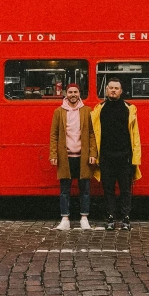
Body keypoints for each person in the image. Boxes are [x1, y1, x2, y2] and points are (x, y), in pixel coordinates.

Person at [92, 77, 141, 231]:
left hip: (124, 157)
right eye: (110, 88)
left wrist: (135, 159)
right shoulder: (99, 109)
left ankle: (126, 218)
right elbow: (93, 134)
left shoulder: (129, 109)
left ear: (121, 91)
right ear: (106, 90)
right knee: (108, 190)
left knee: (126, 190)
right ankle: (111, 217)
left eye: (116, 88)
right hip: (106, 157)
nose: (113, 90)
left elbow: (135, 136)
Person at [50, 83, 97, 230]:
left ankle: (84, 218)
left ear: (79, 93)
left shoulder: (87, 111)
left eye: (75, 92)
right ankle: (65, 219)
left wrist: (92, 153)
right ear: (66, 94)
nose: (73, 95)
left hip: (82, 157)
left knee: (85, 189)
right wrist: (53, 154)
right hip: (66, 156)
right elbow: (54, 135)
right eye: (70, 92)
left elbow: (92, 134)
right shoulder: (58, 112)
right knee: (65, 190)